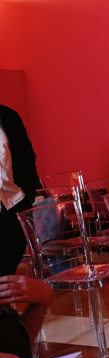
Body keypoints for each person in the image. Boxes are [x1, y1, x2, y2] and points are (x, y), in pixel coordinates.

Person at [0, 105, 40, 277]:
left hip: (13, 203)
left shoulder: (8, 116)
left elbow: (27, 157)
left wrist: (29, 197)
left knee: (7, 271)